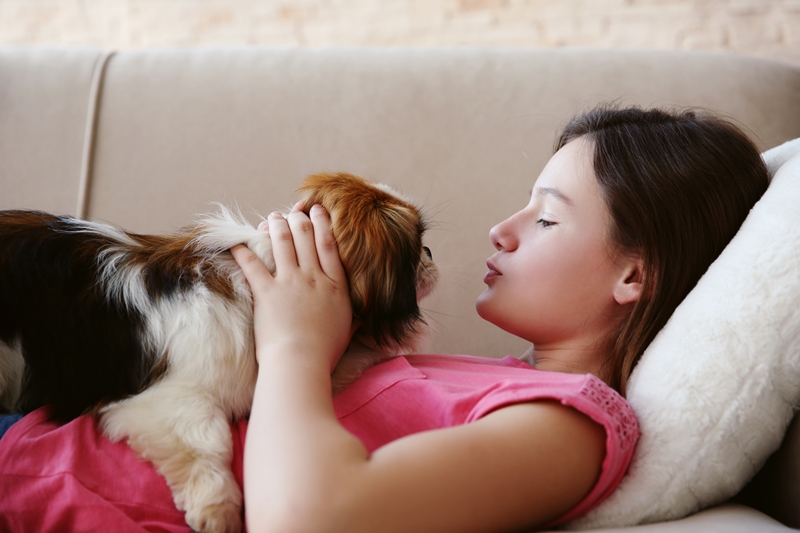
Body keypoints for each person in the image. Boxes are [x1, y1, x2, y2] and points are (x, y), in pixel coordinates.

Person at [0, 105, 769, 533]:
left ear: (634, 274)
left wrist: (298, 342)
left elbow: (310, 519)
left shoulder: (569, 425)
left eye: (546, 219)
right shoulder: (489, 379)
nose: (501, 229)